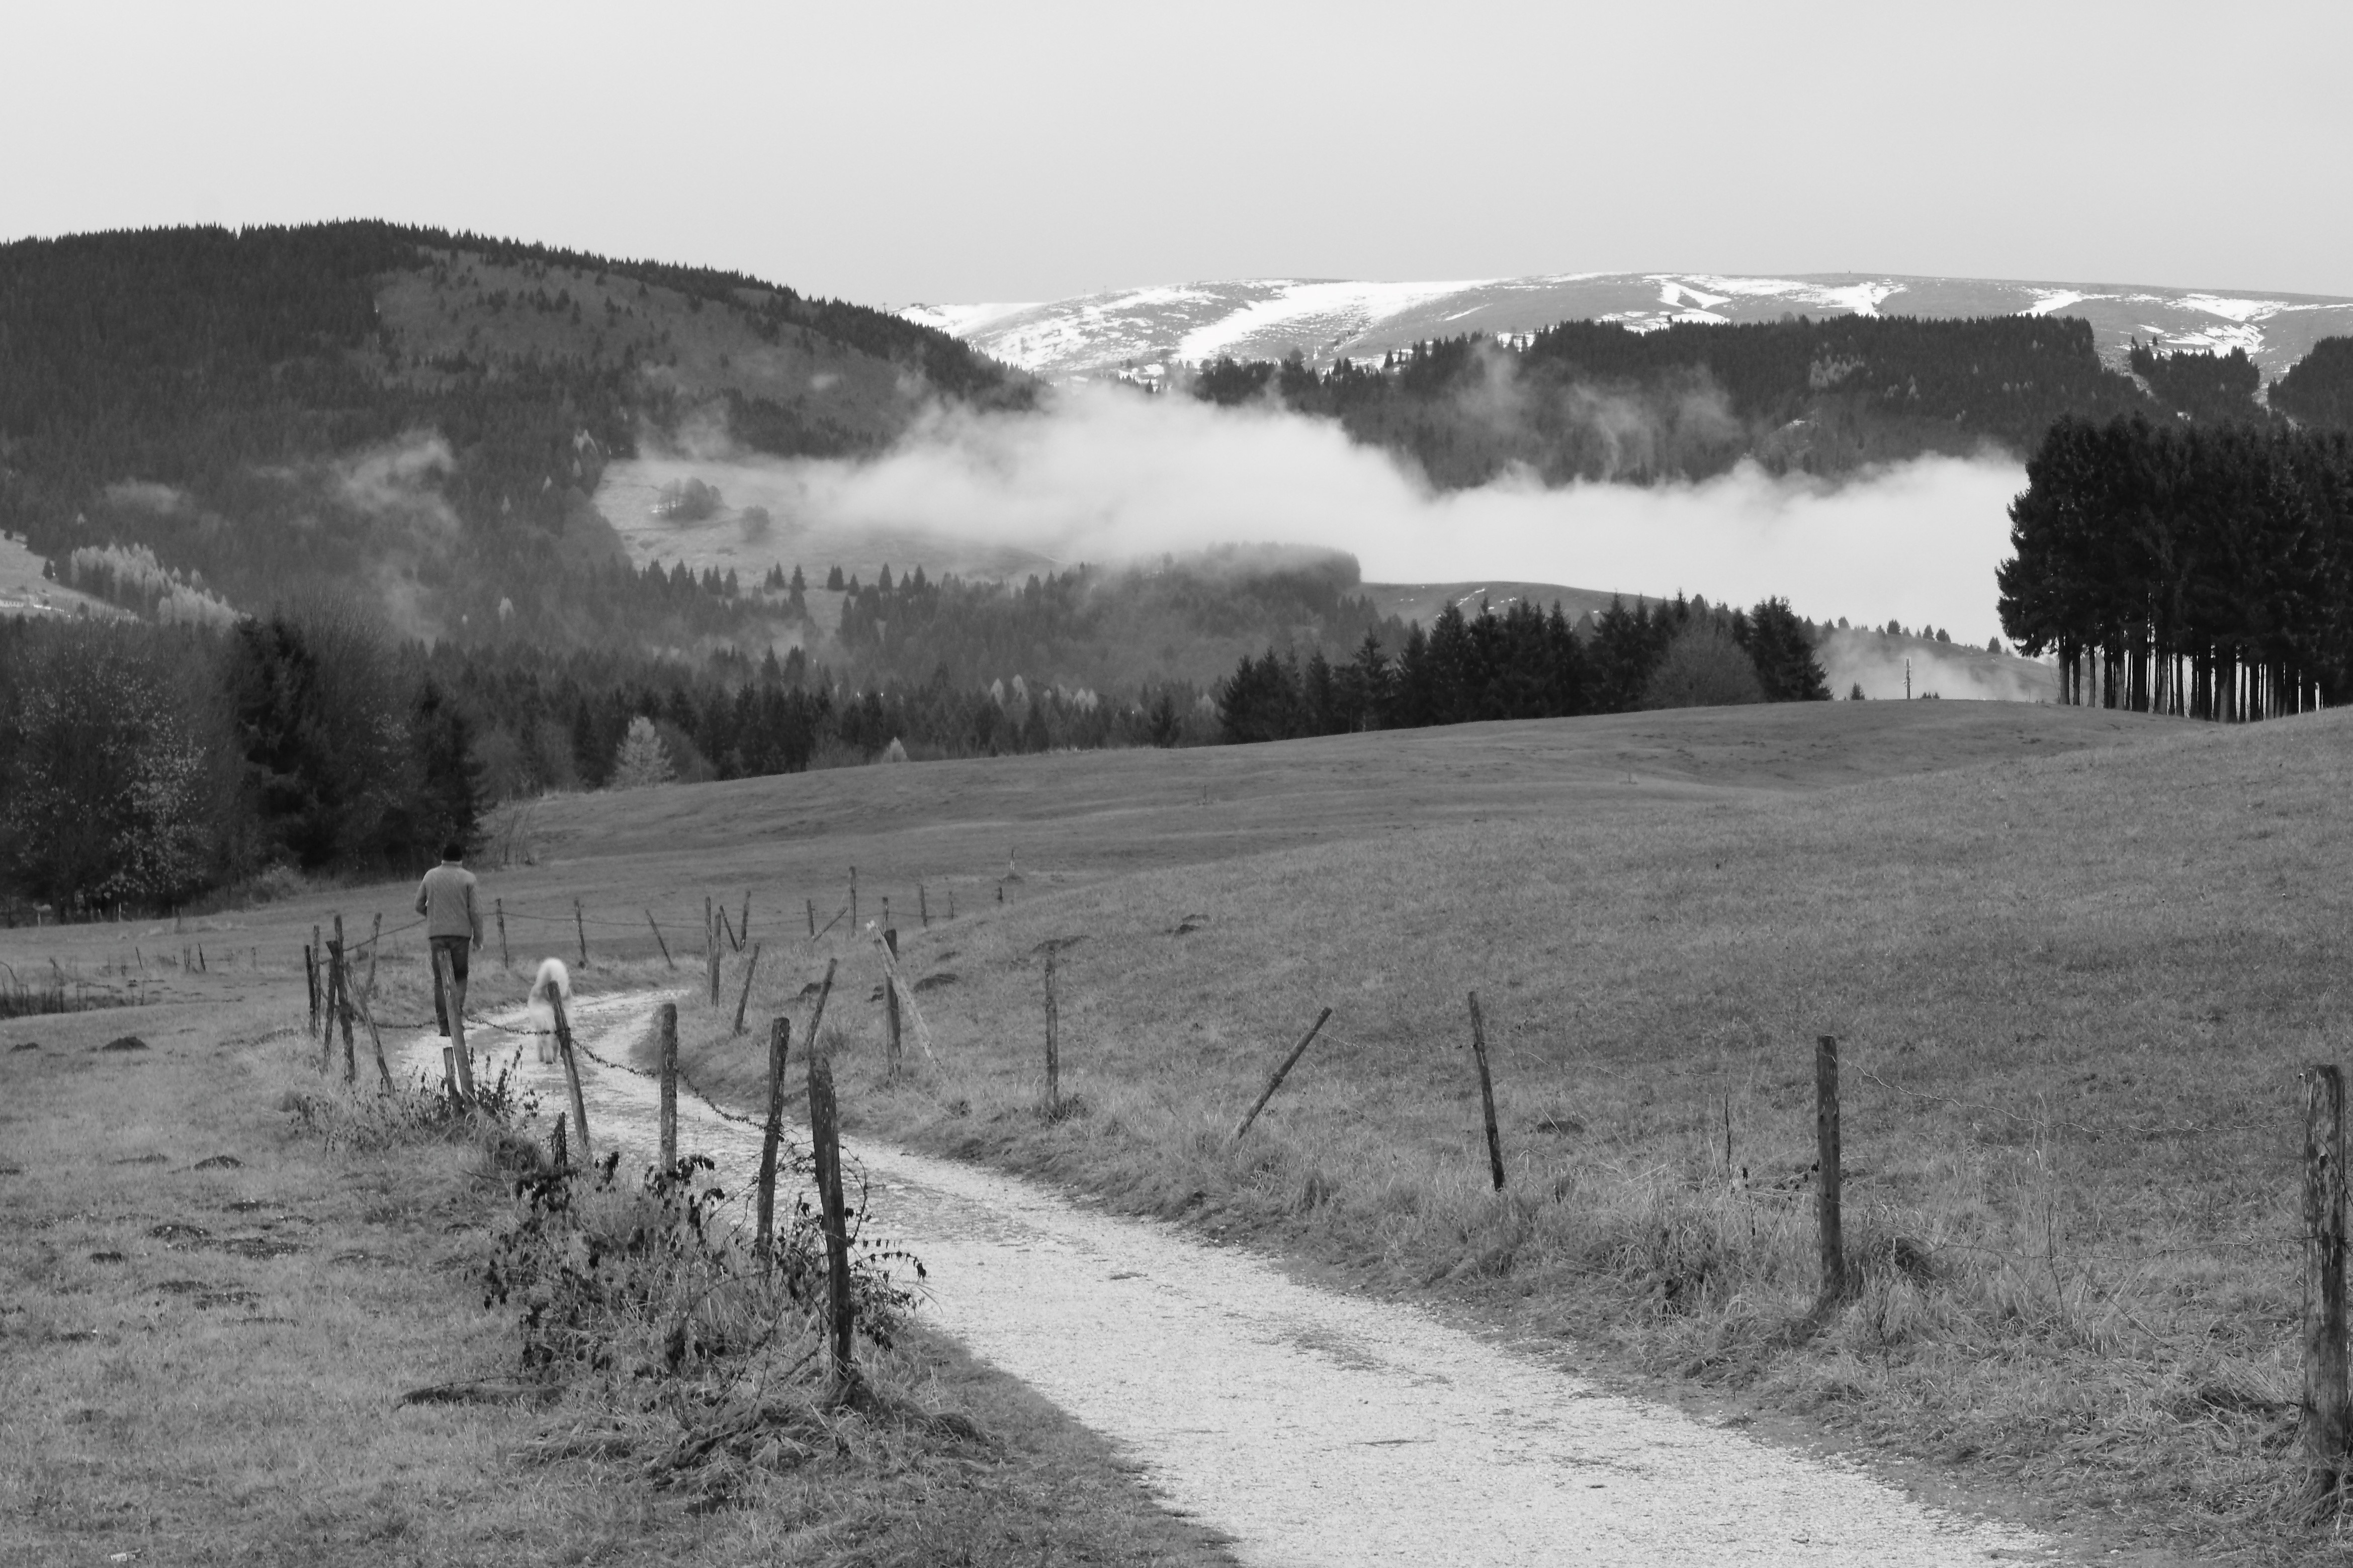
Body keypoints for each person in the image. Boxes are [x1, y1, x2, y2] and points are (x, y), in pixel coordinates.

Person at [414, 842, 484, 1037]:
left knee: (439, 980)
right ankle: (456, 1021)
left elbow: (418, 904)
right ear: (460, 860)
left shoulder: (430, 875)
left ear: (443, 859)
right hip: (461, 936)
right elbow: (476, 911)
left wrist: (433, 915)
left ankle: (444, 1026)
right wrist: (478, 938)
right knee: (460, 977)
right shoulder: (469, 878)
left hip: (436, 934)